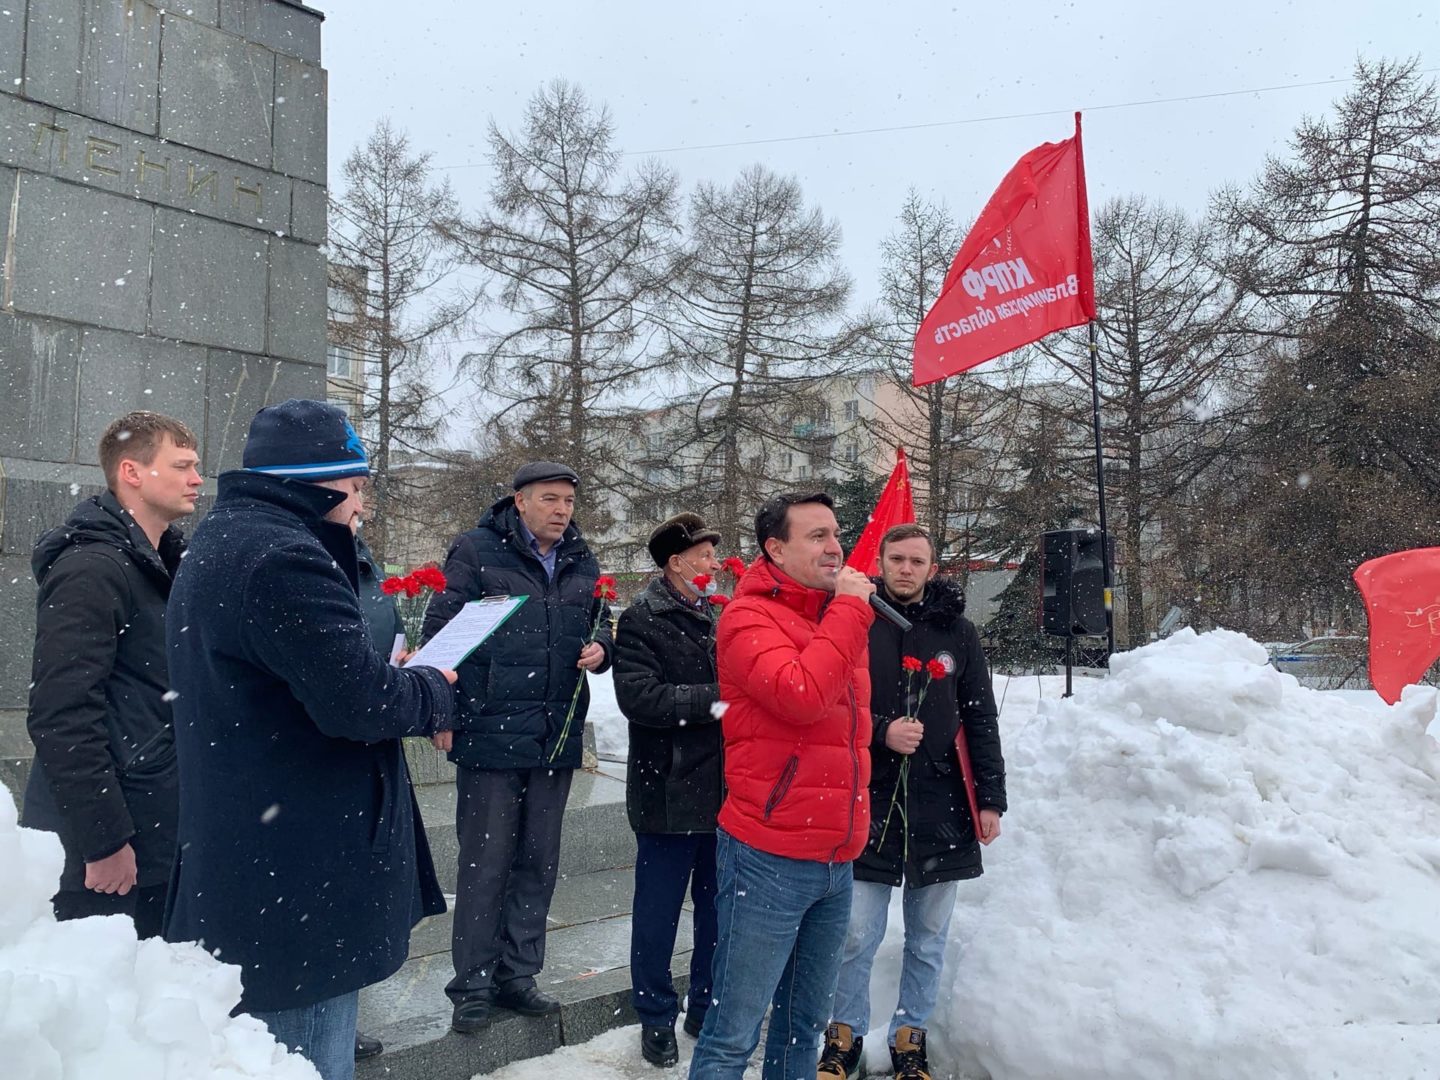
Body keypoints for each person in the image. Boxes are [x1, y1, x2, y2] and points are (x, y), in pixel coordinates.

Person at [163, 400, 457, 1080]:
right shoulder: (283, 559)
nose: (363, 506)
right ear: (322, 484)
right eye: (357, 489)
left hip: (260, 857)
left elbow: (315, 684)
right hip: (298, 881)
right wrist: (437, 688)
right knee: (306, 1057)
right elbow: (358, 705)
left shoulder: (230, 537)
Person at [688, 492, 875, 1080]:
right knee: (732, 1035)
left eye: (836, 533)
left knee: (802, 1030)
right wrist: (848, 611)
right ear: (776, 548)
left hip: (835, 857)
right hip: (767, 855)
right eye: (816, 535)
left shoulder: (830, 616)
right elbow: (801, 696)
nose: (835, 546)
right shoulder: (749, 618)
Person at [423, 461, 614, 1034]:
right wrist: (442, 711)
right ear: (519, 501)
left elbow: (601, 621)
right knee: (486, 864)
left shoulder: (582, 558)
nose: (561, 510)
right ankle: (473, 986)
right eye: (549, 499)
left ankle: (518, 976)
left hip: (553, 734)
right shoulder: (478, 550)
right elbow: (442, 630)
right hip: (489, 732)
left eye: (568, 502)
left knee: (538, 861)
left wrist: (601, 647)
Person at [819, 524, 1007, 1080]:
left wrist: (990, 799)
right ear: (881, 561)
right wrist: (880, 731)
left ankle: (909, 1037)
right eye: (896, 558)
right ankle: (844, 1034)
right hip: (869, 799)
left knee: (927, 937)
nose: (906, 568)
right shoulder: (857, 620)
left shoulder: (958, 631)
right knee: (855, 933)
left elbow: (980, 717)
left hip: (942, 803)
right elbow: (830, 701)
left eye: (916, 560)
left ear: (932, 566)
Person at [21, 412, 201, 938]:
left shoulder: (165, 567)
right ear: (132, 471)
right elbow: (61, 713)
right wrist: (103, 841)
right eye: (183, 465)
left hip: (156, 833)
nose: (196, 479)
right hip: (104, 859)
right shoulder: (90, 569)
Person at [615, 513, 725, 1068]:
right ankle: (655, 1013)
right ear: (676, 563)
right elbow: (642, 700)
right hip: (667, 793)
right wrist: (719, 700)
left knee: (717, 908)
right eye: (704, 555)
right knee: (657, 912)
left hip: (724, 794)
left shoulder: (718, 614)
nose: (713, 564)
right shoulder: (641, 620)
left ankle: (705, 1003)